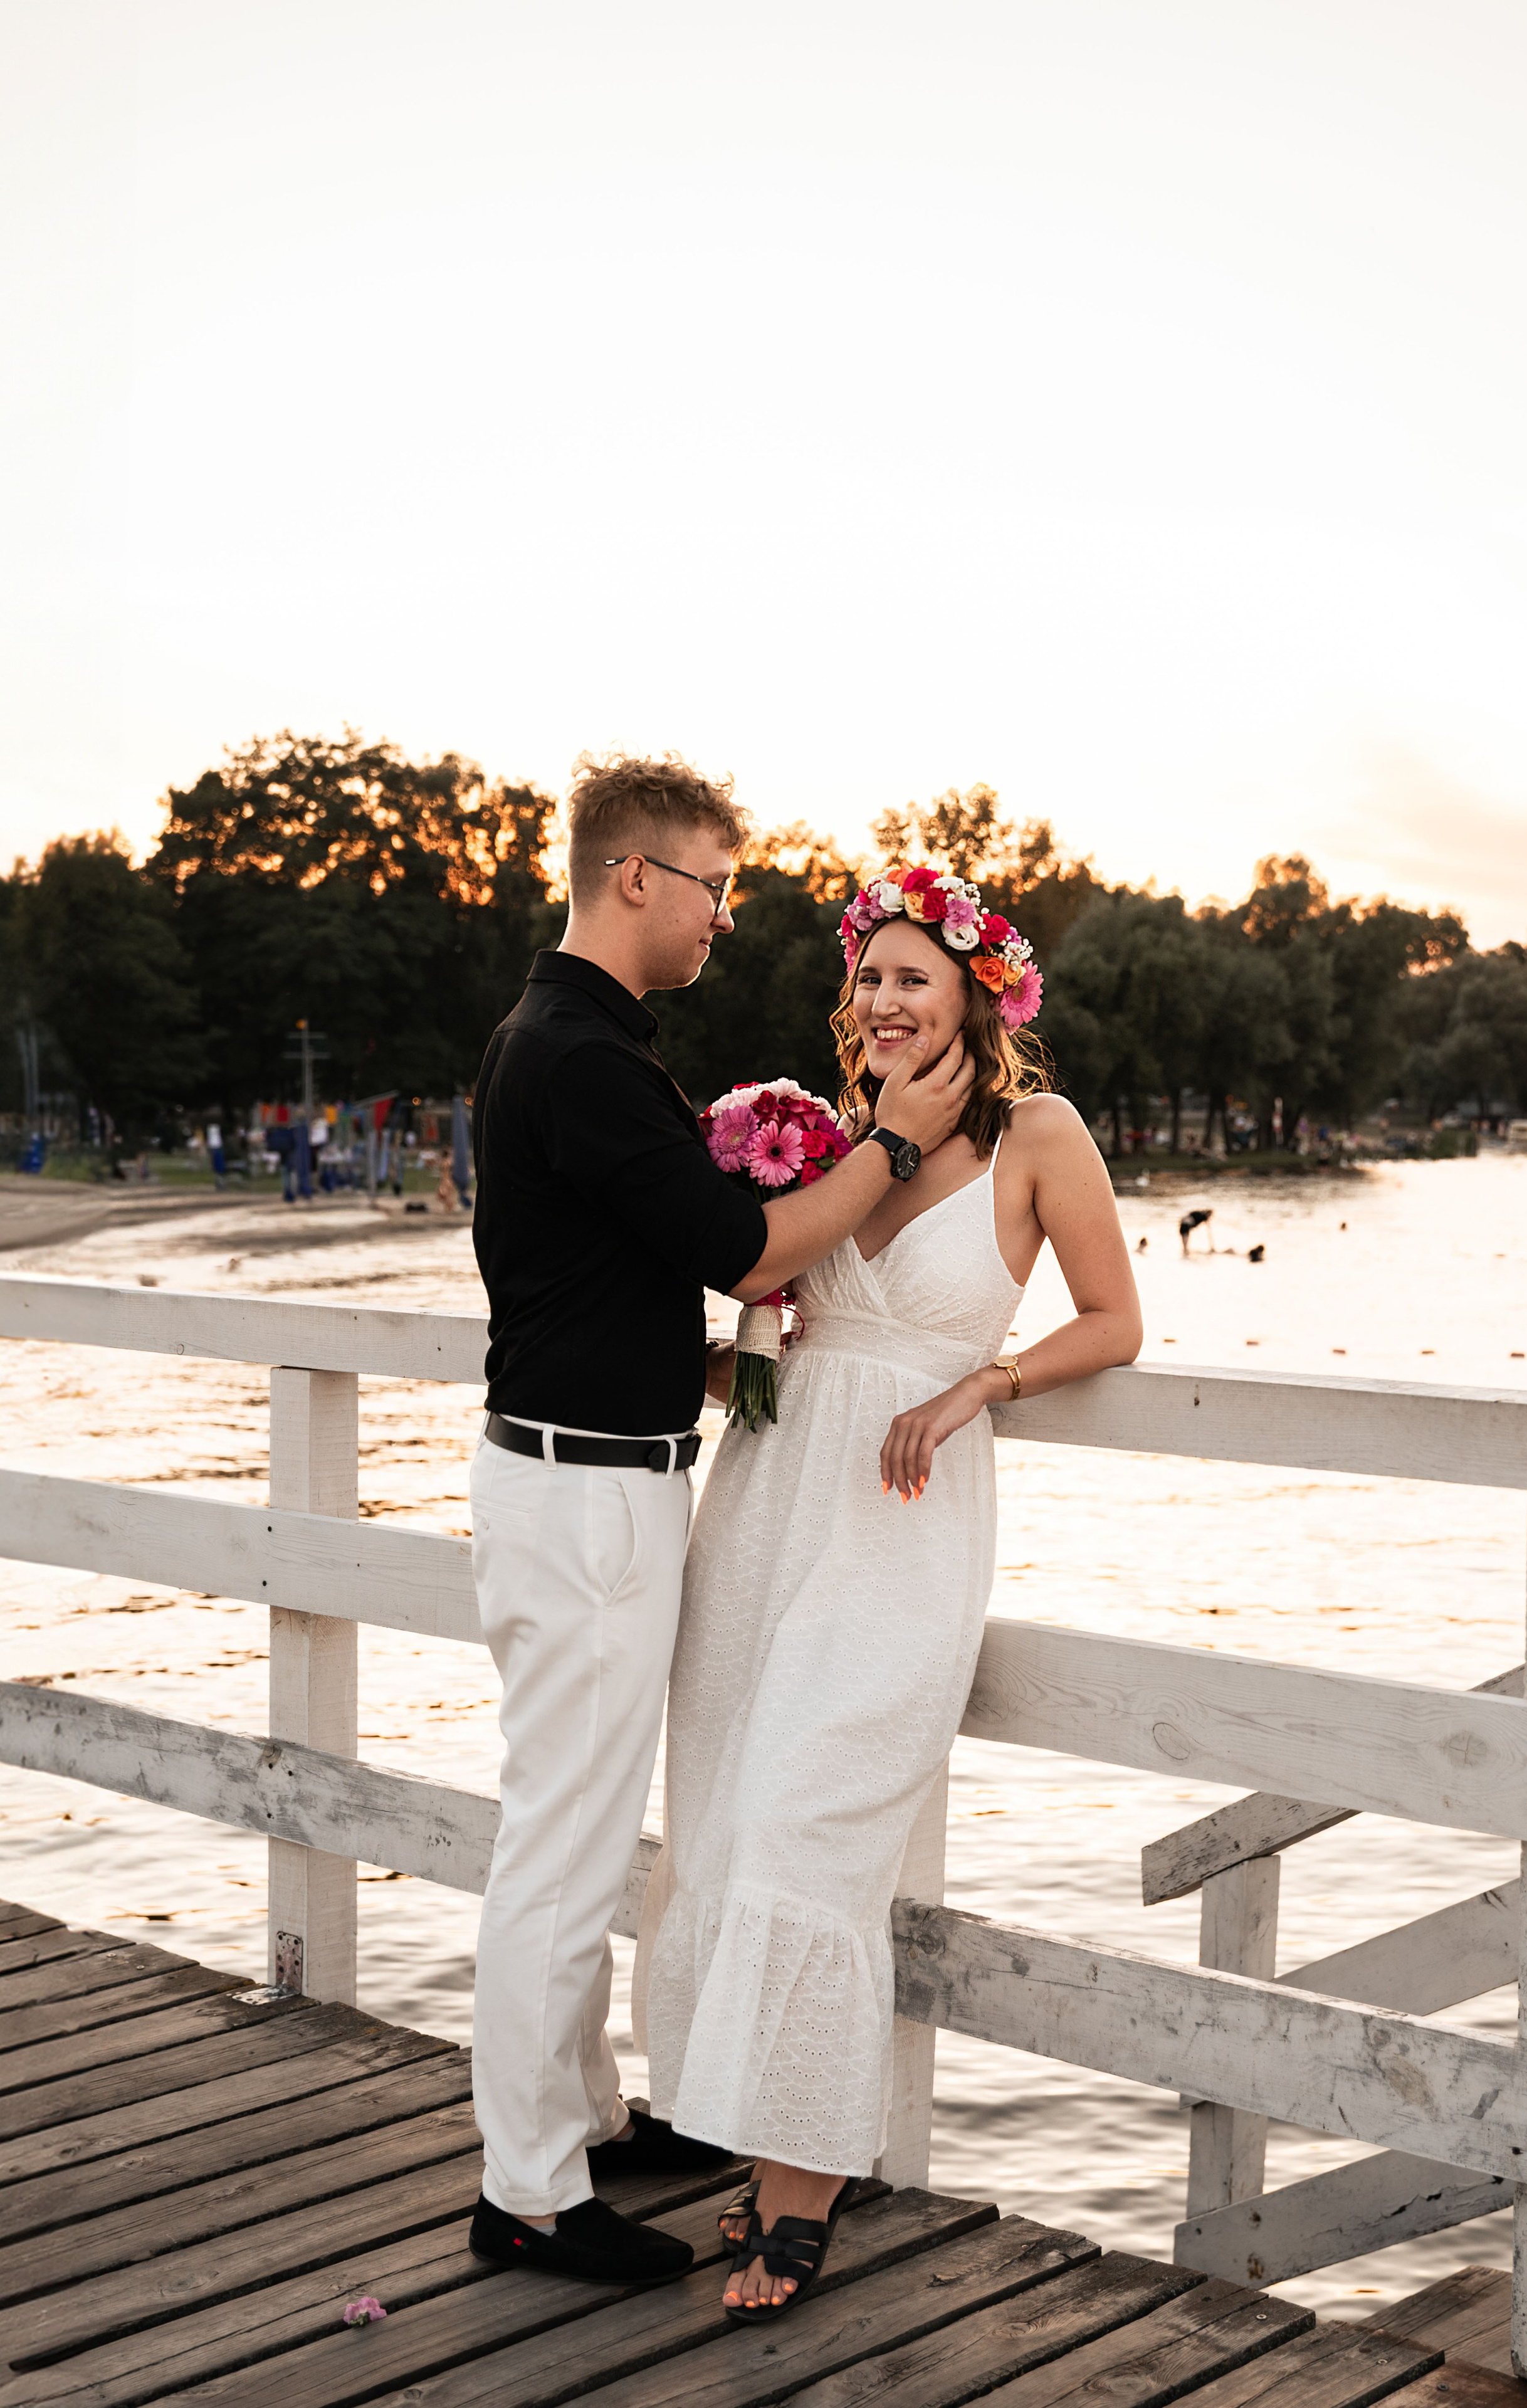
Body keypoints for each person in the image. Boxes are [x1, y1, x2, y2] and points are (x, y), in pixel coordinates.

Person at [466, 760, 974, 2294]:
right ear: (635, 877)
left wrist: (720, 1361)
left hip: (580, 1469)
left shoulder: (559, 1039)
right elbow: (739, 1242)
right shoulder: (583, 1057)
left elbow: (629, 1276)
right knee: (561, 1849)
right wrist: (882, 1148)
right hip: (587, 1493)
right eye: (709, 886)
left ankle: (578, 2122)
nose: (720, 917)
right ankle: (531, 2195)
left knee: (572, 1824)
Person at [639, 862, 1143, 2321]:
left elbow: (1112, 1318)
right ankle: (761, 2147)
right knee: (727, 1820)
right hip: (762, 1506)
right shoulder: (819, 1139)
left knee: (813, 1826)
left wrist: (985, 1381)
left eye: (912, 976)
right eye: (867, 978)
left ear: (979, 995)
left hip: (900, 1520)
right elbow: (758, 1315)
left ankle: (800, 2196)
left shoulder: (1038, 1135)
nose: (881, 1001)